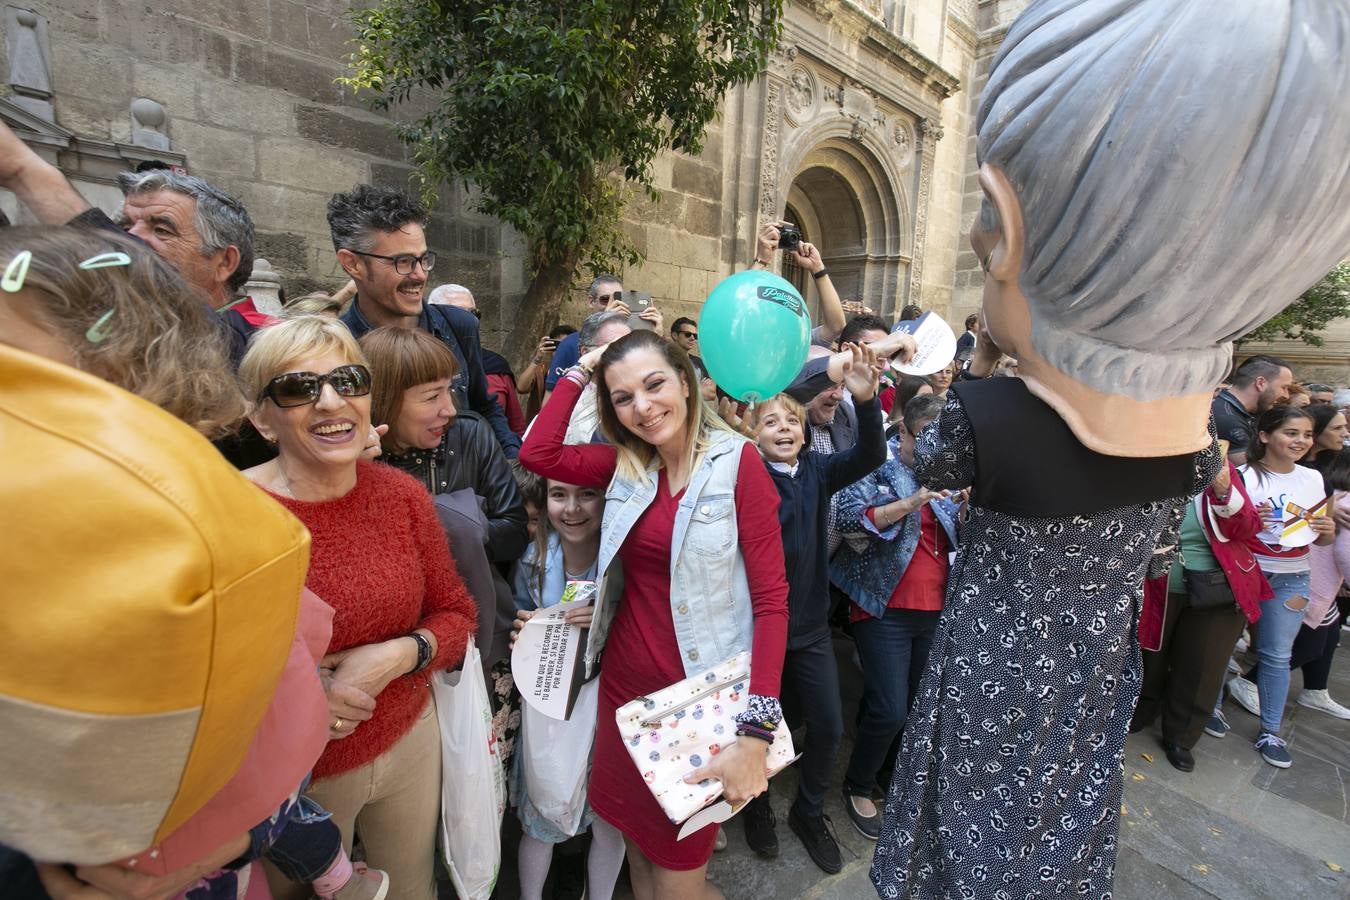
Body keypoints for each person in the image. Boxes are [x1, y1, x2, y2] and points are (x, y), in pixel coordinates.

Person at [871, 0, 1350, 894]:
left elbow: (927, 467)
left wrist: (978, 363)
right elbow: (1164, 543)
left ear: (1008, 228)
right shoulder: (1191, 431)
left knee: (970, 825)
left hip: (996, 657)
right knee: (1060, 819)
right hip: (1094, 661)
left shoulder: (986, 413)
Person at [0, 228, 354, 900]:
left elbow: (279, 750)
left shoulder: (225, 546)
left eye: (21, 372)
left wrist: (208, 852)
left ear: (129, 380)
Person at [520, 329, 790, 898]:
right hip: (628, 703)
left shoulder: (737, 464)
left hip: (699, 705)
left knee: (676, 883)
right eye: (622, 397)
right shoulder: (624, 465)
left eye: (654, 384)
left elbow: (771, 604)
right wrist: (580, 369)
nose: (642, 407)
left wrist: (756, 734)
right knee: (640, 865)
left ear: (686, 384)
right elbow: (538, 454)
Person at [240, 316, 477, 900]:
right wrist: (297, 693)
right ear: (261, 419)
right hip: (295, 773)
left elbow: (456, 614)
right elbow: (194, 671)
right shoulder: (231, 512)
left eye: (347, 380)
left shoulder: (401, 497)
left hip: (408, 739)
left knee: (412, 890)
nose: (330, 402)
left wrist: (399, 653)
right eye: (299, 388)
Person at [738, 343, 887, 873]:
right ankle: (755, 808)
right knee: (760, 728)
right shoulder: (744, 476)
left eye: (792, 422)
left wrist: (866, 402)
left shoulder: (820, 472)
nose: (783, 428)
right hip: (758, 631)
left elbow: (870, 455)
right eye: (770, 421)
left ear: (805, 432)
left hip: (811, 628)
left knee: (825, 724)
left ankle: (807, 810)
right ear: (751, 434)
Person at [360, 324, 528, 766]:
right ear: (387, 399)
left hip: (483, 639)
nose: (449, 409)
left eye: (449, 391)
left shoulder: (470, 435)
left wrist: (457, 523)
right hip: (395, 654)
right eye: (431, 396)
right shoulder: (355, 460)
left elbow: (513, 528)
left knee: (481, 776)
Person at [832, 394, 959, 840]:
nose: (931, 450)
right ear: (903, 430)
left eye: (941, 441)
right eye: (924, 437)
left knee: (914, 707)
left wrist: (968, 505)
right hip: (881, 605)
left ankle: (889, 775)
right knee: (890, 708)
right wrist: (912, 501)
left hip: (937, 609)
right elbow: (849, 520)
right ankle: (858, 786)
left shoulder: (953, 477)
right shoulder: (878, 466)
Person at [328, 184, 521, 458]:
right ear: (352, 264)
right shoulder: (336, 349)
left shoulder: (459, 326)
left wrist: (514, 469)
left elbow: (484, 405)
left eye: (423, 259)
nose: (419, 275)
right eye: (402, 262)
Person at [509, 478, 628, 900]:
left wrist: (607, 617)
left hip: (608, 711)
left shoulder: (622, 561)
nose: (572, 508)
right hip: (551, 716)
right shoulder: (534, 560)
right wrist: (523, 631)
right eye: (559, 496)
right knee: (542, 816)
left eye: (587, 495)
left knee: (610, 821)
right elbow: (518, 622)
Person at [1133, 454, 1269, 772]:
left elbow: (1248, 527)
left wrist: (1224, 491)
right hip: (1157, 582)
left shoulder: (1219, 467)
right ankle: (1140, 711)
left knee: (1202, 663)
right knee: (1147, 654)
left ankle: (1182, 736)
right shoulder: (1144, 460)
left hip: (1218, 584)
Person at [1222, 406, 1336, 767]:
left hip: (1293, 574)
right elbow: (1221, 533)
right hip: (1243, 571)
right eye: (1291, 432)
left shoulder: (1313, 480)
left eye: (1305, 434)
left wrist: (1327, 533)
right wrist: (1250, 523)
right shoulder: (1240, 477)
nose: (1300, 441)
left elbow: (1315, 538)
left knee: (1277, 654)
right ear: (1266, 435)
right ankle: (1210, 708)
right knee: (1222, 645)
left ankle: (1271, 730)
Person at [428, 282, 528, 435]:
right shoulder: (418, 364)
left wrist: (512, 451)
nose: (469, 321)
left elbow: (514, 423)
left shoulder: (495, 365)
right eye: (457, 314)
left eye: (474, 314)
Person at [544, 274, 626, 392]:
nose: (612, 305)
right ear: (591, 301)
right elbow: (549, 403)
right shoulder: (569, 344)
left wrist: (657, 334)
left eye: (618, 300)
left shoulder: (631, 341)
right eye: (605, 299)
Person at [1212, 356, 1295, 463]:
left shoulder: (1225, 406)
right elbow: (1253, 471)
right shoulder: (1227, 419)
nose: (1286, 395)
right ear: (1260, 383)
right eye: (1284, 387)